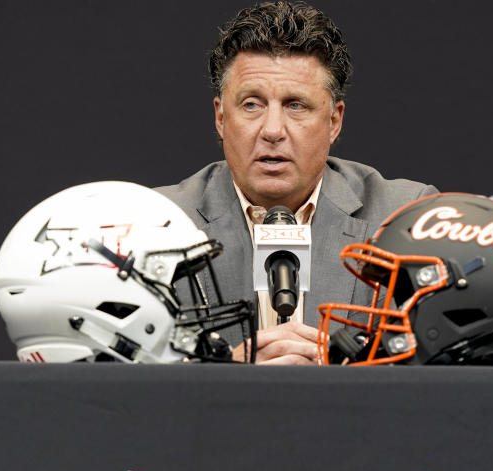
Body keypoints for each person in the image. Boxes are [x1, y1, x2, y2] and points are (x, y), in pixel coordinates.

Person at [155, 1, 437, 365]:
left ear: (334, 122)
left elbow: (436, 367)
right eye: (252, 104)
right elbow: (122, 381)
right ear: (221, 117)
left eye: (296, 105)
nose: (272, 130)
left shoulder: (403, 217)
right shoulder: (158, 224)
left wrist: (335, 374)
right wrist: (225, 373)